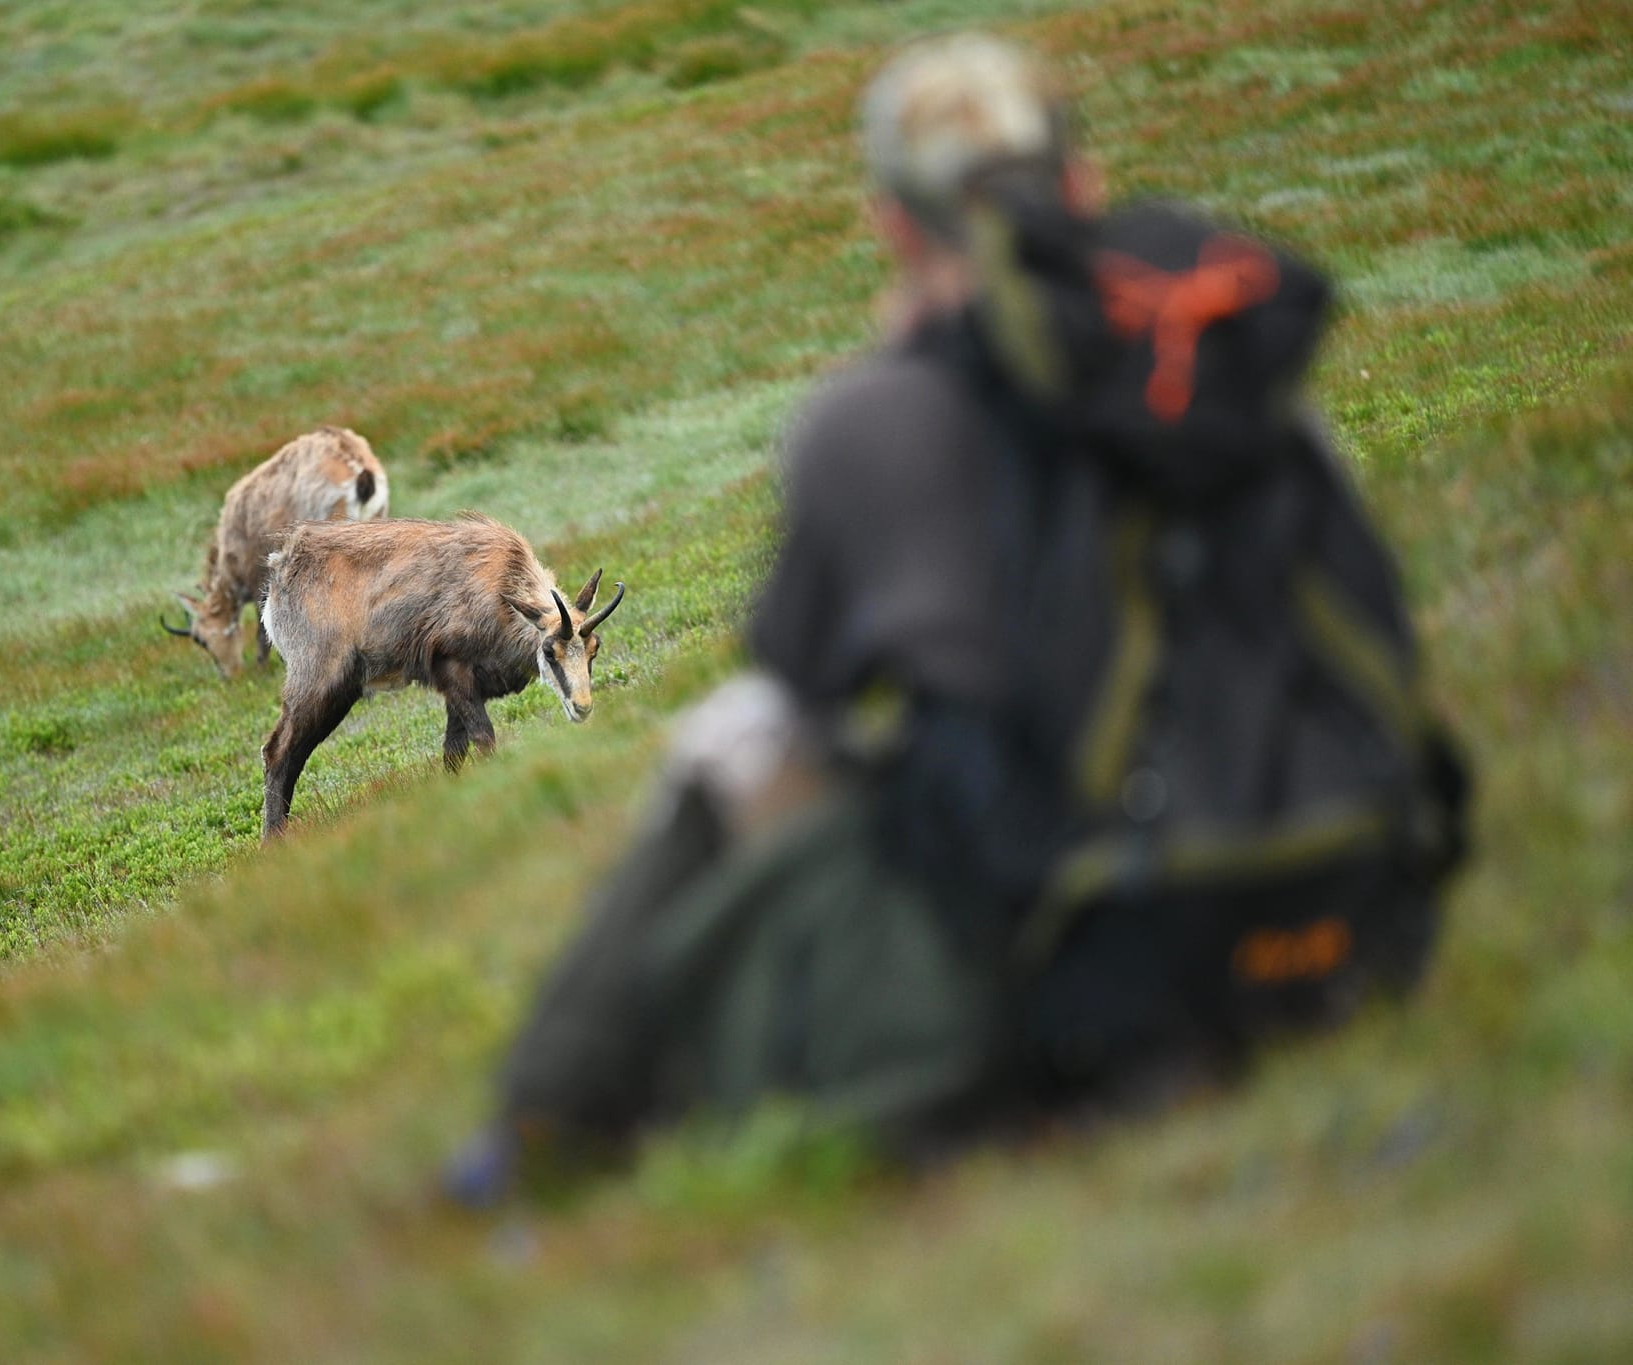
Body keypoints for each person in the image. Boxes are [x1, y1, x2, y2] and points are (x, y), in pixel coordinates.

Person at [447, 34, 1468, 1203]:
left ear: (890, 225)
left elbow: (802, 676)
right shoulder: (1220, 362)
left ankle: (540, 1127)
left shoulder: (873, 422)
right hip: (1354, 926)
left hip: (1103, 979)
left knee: (744, 736)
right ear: (1078, 185)